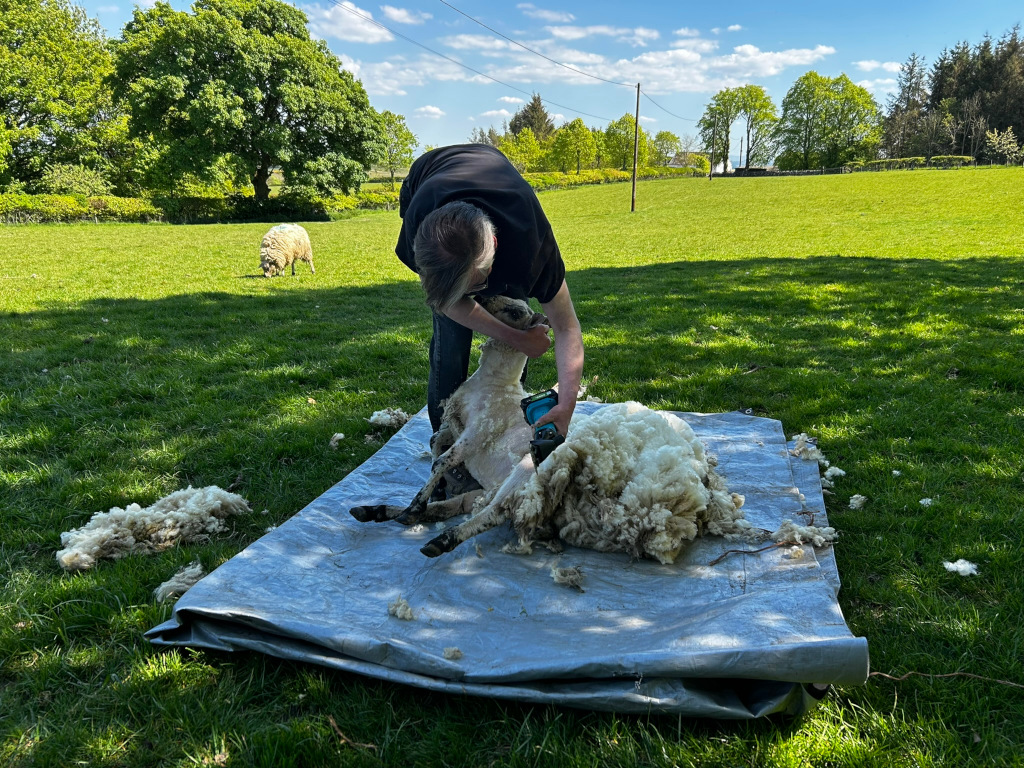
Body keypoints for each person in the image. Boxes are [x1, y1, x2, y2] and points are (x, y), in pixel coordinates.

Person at [396, 143, 584, 442]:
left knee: (516, 316)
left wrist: (566, 406)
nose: (475, 297)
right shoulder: (421, 232)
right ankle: (443, 442)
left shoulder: (532, 249)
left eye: (475, 286)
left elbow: (567, 327)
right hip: (428, 176)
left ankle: (503, 428)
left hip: (504, 206)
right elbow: (446, 303)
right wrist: (519, 340)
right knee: (451, 341)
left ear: (494, 247)